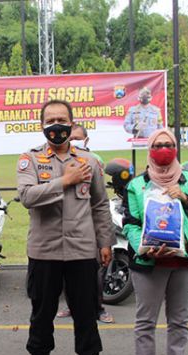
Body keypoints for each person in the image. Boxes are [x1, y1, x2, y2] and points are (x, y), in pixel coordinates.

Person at [17, 99, 115, 355]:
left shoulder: (89, 161)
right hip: (44, 252)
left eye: (62, 119)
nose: (56, 125)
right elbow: (27, 196)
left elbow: (99, 205)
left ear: (72, 124)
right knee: (41, 314)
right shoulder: (30, 160)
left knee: (85, 314)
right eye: (50, 120)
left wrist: (105, 241)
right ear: (42, 125)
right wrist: (64, 181)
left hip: (81, 250)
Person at [122, 128, 188, 355]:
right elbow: (130, 223)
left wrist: (186, 199)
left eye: (169, 144)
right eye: (158, 145)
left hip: (183, 262)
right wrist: (145, 248)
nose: (164, 149)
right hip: (150, 263)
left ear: (176, 147)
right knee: (146, 320)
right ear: (150, 149)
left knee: (180, 320)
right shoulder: (137, 185)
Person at [57, 124, 114, 324]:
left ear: (86, 141)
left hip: (88, 225)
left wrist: (104, 239)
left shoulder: (94, 160)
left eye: (78, 138)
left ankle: (98, 307)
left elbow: (99, 200)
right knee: (66, 270)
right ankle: (71, 306)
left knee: (94, 271)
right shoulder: (58, 160)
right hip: (64, 225)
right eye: (70, 138)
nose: (73, 142)